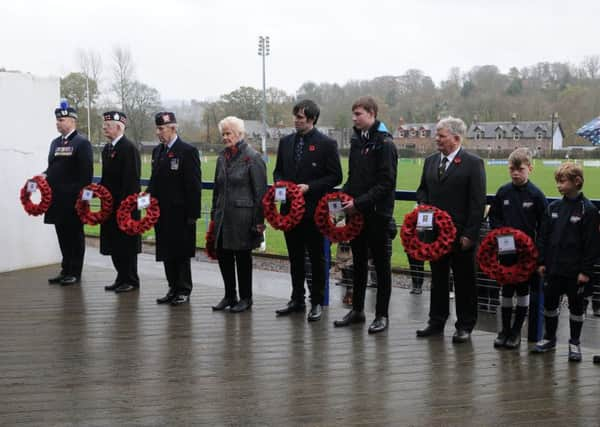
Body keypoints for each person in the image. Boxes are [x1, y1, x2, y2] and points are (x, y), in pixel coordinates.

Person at [415, 116, 486, 343]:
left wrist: (469, 235)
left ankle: (465, 325)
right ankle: (436, 321)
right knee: (437, 279)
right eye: (437, 135)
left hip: (460, 236)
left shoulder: (473, 163)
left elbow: (477, 203)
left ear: (456, 138)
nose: (437, 139)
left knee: (464, 281)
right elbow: (422, 191)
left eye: (441, 135)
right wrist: (424, 206)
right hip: (435, 235)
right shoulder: (430, 161)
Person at [273, 100, 342, 322]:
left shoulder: (326, 144)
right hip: (289, 211)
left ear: (311, 119)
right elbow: (278, 172)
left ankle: (317, 302)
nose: (295, 120)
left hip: (314, 211)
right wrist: (281, 185)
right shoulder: (285, 142)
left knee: (317, 257)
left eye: (300, 117)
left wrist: (310, 188)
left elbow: (335, 177)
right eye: (295, 116)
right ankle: (297, 299)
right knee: (295, 258)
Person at [333, 96, 397, 334]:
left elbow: (386, 183)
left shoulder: (385, 143)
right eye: (353, 113)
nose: (354, 118)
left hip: (378, 214)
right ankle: (358, 310)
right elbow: (354, 177)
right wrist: (342, 196)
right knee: (358, 263)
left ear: (371, 113)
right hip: (356, 213)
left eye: (358, 113)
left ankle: (382, 315)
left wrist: (357, 203)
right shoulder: (357, 140)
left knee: (381, 266)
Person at [533, 162, 600, 362]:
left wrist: (585, 271)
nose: (558, 185)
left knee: (577, 308)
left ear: (576, 182)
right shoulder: (553, 207)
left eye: (562, 181)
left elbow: (592, 245)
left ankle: (574, 342)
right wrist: (542, 262)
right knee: (550, 305)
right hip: (553, 269)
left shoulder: (588, 210)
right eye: (557, 181)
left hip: (575, 272)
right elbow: (543, 237)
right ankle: (549, 338)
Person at [488, 148, 547, 349]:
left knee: (522, 291)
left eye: (520, 169)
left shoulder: (537, 195)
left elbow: (544, 227)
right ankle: (504, 330)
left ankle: (516, 333)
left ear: (530, 168)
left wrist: (538, 253)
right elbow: (494, 217)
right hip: (506, 251)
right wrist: (500, 232)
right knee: (506, 291)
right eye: (512, 169)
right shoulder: (503, 192)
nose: (515, 173)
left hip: (526, 256)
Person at [210, 117, 267, 313]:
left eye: (229, 133)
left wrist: (258, 223)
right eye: (223, 134)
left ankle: (246, 298)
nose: (225, 137)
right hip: (223, 217)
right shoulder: (221, 157)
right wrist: (213, 215)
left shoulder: (253, 157)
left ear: (240, 134)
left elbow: (260, 193)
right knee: (224, 256)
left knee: (243, 259)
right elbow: (217, 190)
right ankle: (229, 295)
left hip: (244, 218)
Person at [147, 112, 202, 306]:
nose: (158, 132)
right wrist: (145, 197)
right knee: (166, 252)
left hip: (181, 213)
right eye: (157, 128)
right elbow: (154, 181)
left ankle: (184, 289)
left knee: (181, 253)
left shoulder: (187, 151)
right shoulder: (158, 152)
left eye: (161, 128)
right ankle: (172, 287)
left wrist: (193, 214)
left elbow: (194, 185)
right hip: (161, 212)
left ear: (173, 128)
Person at [43, 102, 93, 286]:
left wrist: (81, 199)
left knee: (74, 236)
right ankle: (66, 269)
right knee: (62, 235)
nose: (57, 122)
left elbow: (85, 174)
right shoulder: (55, 143)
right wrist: (42, 177)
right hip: (56, 199)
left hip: (73, 200)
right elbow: (52, 167)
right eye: (57, 119)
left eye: (61, 119)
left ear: (72, 121)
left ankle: (75, 271)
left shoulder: (82, 143)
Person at [99, 111, 142, 293]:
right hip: (110, 206)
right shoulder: (107, 149)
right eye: (104, 125)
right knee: (114, 244)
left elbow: (131, 181)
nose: (104, 128)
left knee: (126, 245)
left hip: (125, 207)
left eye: (107, 126)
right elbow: (105, 178)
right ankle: (121, 276)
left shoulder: (128, 148)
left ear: (118, 127)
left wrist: (125, 208)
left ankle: (130, 279)